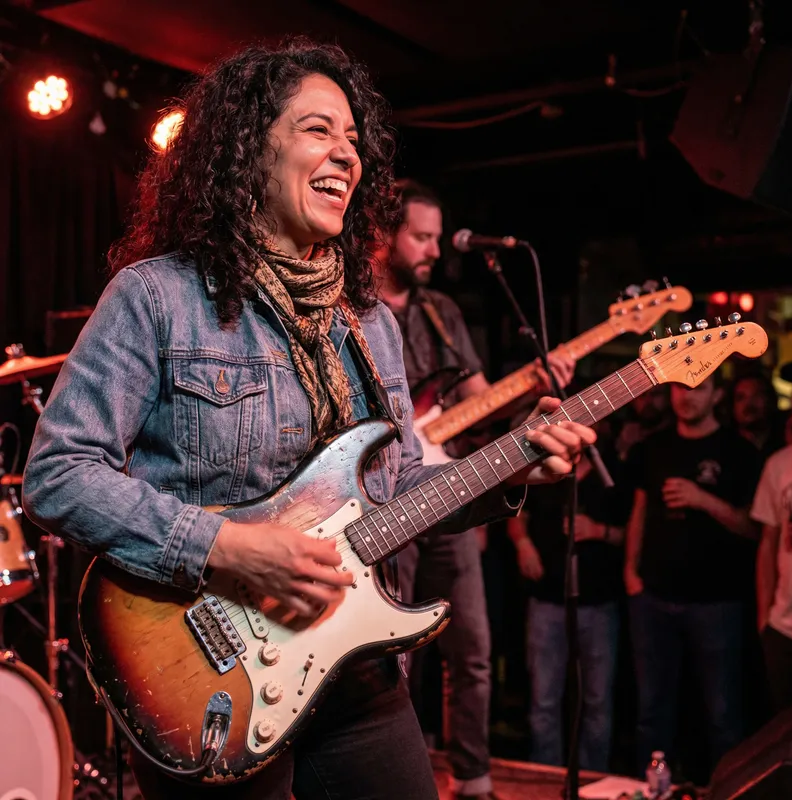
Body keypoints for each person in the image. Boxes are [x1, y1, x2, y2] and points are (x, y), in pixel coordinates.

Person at [21, 40, 595, 800]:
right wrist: (229, 547)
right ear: (248, 149)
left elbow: (392, 492)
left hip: (355, 672)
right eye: (318, 130)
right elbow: (57, 475)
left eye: (355, 140)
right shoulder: (156, 297)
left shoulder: (370, 323)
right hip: (211, 678)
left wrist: (515, 462)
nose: (347, 155)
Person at [372, 179, 573, 800]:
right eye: (421, 235)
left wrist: (534, 384)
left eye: (437, 236)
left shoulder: (443, 310)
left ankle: (474, 779)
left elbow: (478, 403)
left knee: (473, 649)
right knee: (392, 655)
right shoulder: (348, 307)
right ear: (381, 234)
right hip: (377, 495)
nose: (433, 249)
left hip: (443, 489)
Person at [624, 373, 761, 779]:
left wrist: (703, 500)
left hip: (717, 601)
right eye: (681, 386)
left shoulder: (739, 451)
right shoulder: (654, 447)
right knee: (651, 710)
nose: (687, 396)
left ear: (716, 394)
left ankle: (726, 788)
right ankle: (652, 788)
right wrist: (631, 573)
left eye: (698, 387)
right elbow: (640, 512)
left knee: (721, 714)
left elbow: (754, 527)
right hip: (653, 597)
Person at [507, 419, 628, 772]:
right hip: (547, 600)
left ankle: (592, 776)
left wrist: (600, 531)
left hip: (599, 602)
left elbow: (635, 534)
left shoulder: (612, 477)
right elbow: (517, 515)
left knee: (597, 701)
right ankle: (547, 775)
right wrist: (523, 544)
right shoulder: (547, 471)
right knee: (544, 699)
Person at [752, 438, 792, 714]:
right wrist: (764, 620)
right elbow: (767, 545)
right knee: (782, 737)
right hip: (784, 630)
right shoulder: (780, 463)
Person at [730, 372, 785, 457]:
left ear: (770, 400)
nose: (749, 404)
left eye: (757, 395)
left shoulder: (785, 442)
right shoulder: (723, 449)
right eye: (740, 398)